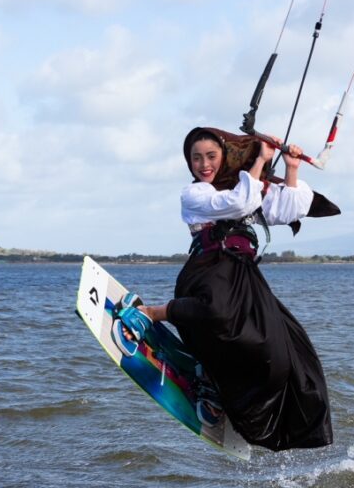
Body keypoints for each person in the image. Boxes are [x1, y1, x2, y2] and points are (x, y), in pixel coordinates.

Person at [112, 127, 333, 452]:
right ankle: (150, 313)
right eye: (196, 158)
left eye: (211, 156)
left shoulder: (245, 186)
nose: (204, 164)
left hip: (243, 278)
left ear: (224, 157)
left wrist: (291, 167)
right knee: (219, 312)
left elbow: (288, 209)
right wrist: (258, 161)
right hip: (208, 272)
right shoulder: (196, 194)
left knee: (281, 355)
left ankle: (215, 384)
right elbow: (238, 203)